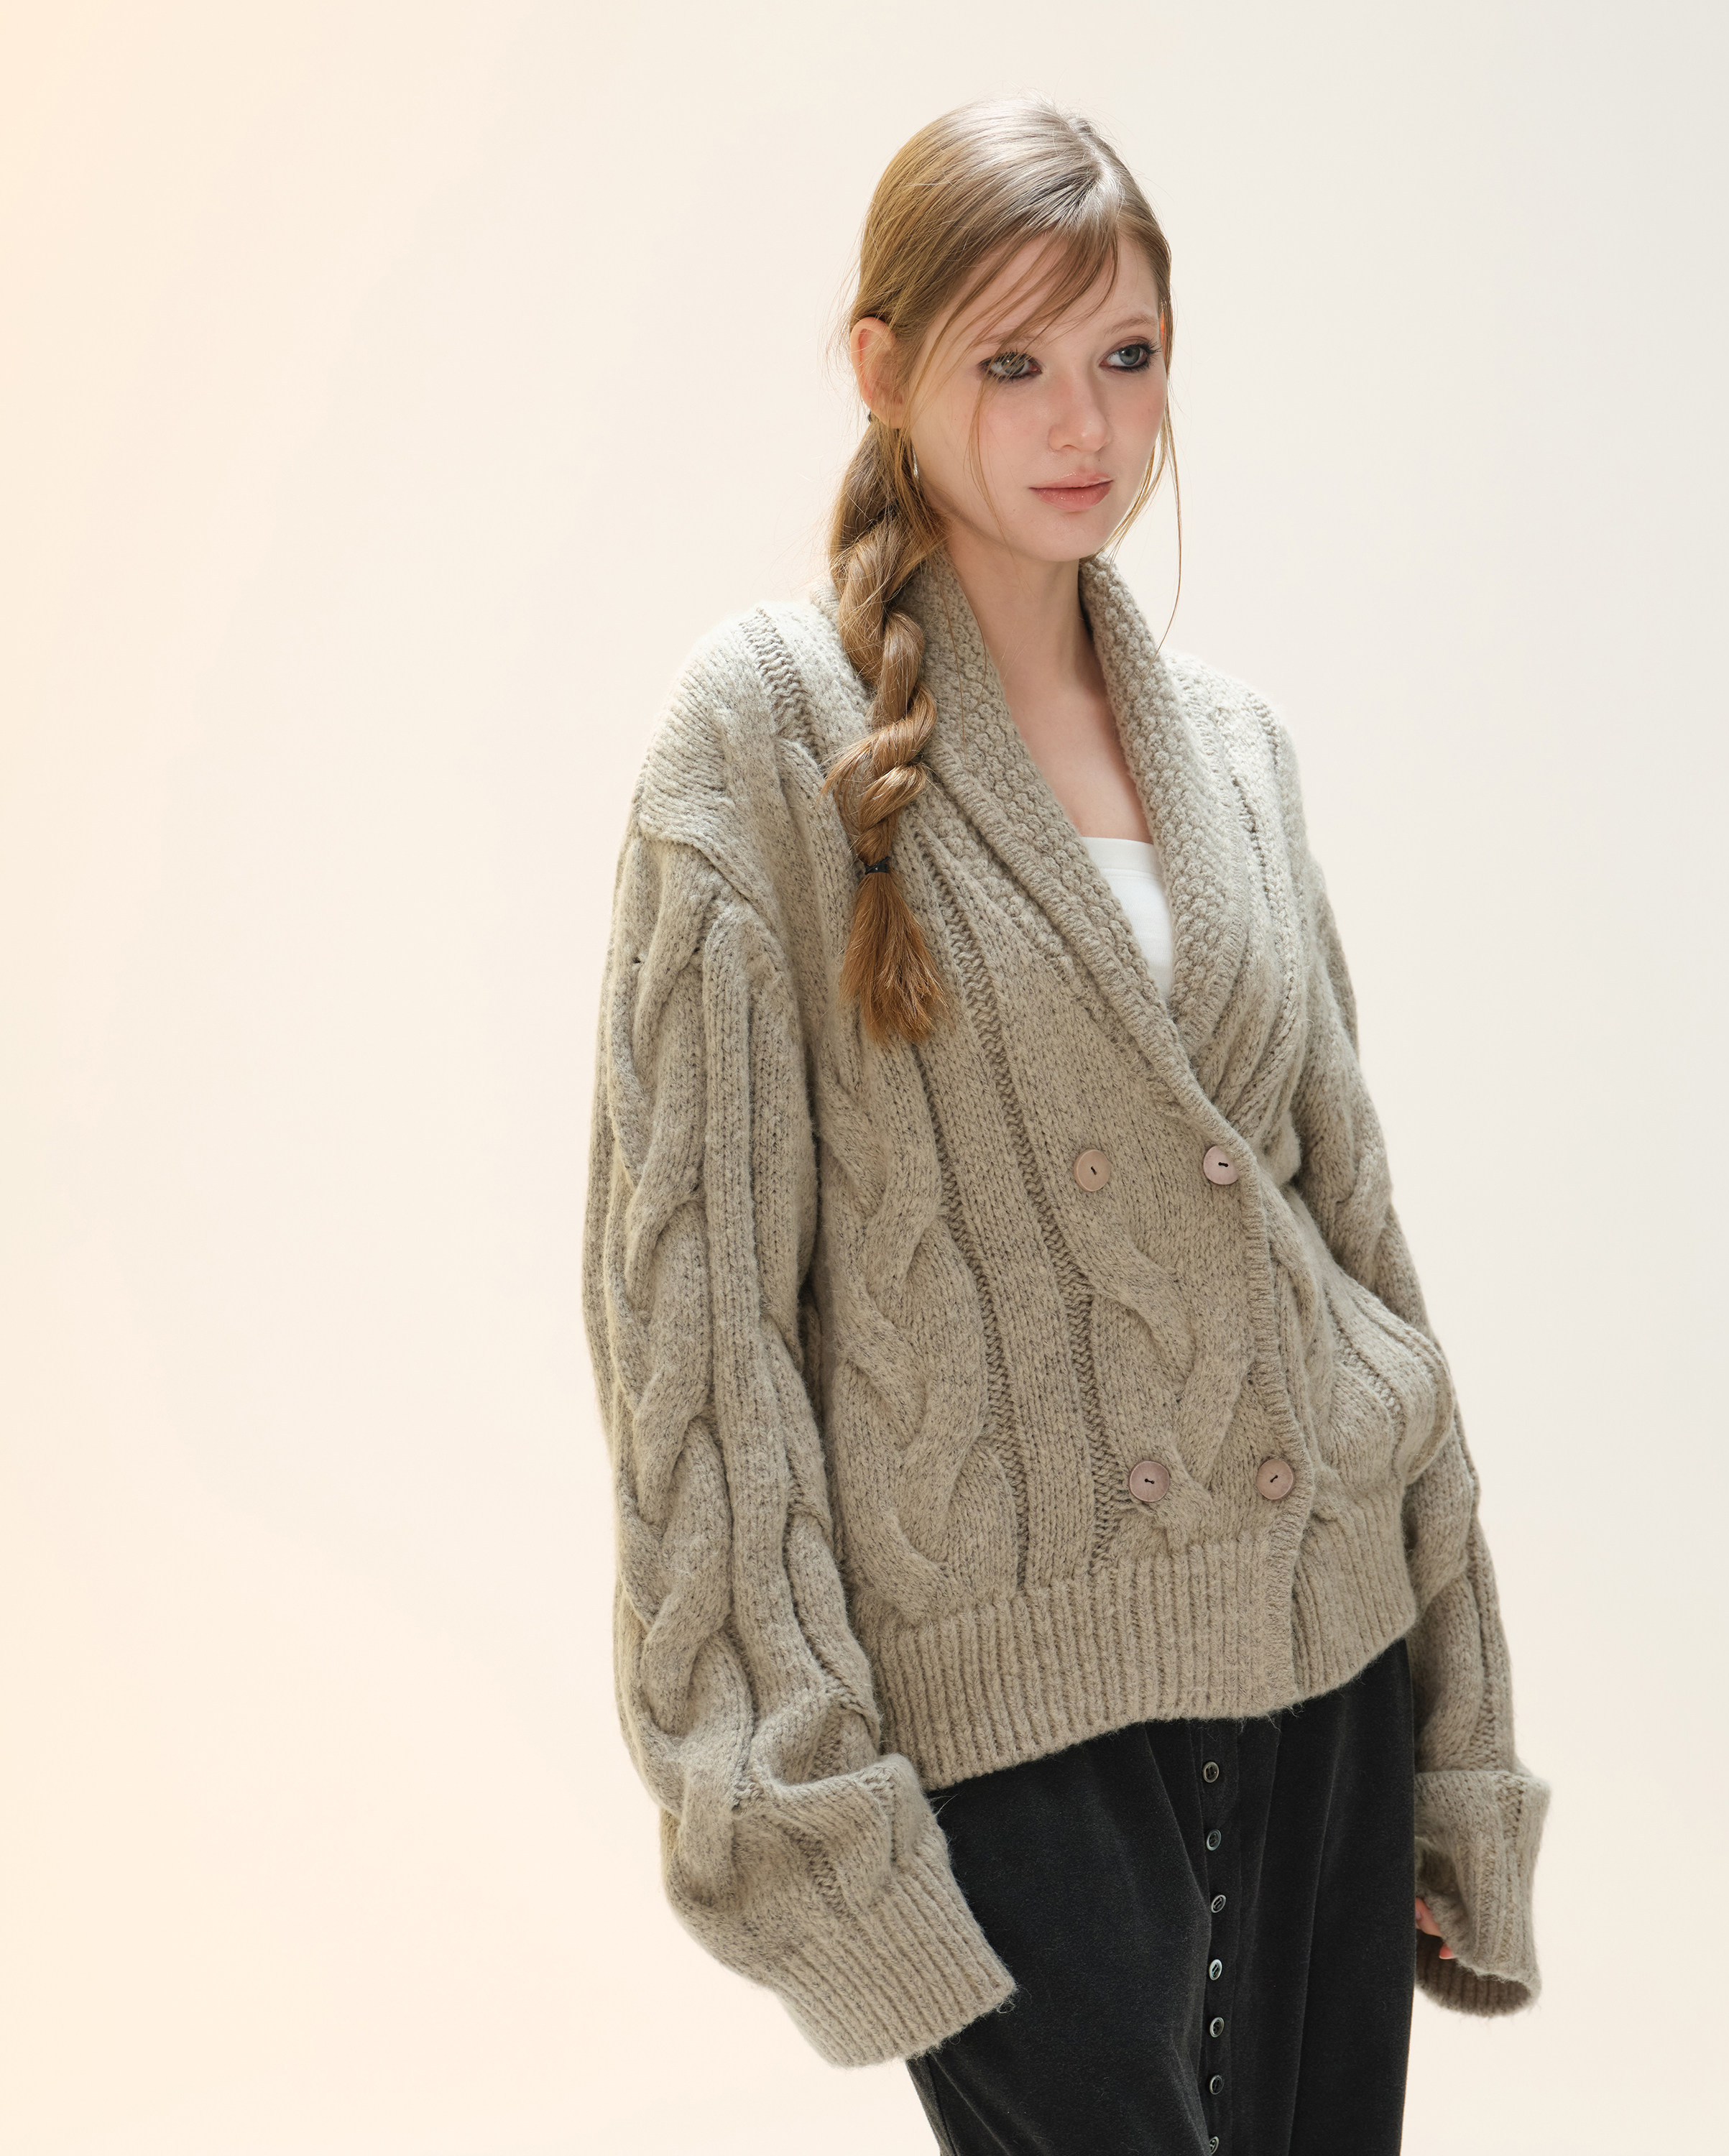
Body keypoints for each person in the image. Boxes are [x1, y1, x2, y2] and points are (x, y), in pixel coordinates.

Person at [581, 93, 1549, 2156]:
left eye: (1126, 354)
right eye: (1010, 361)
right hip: (1007, 1729)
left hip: (1327, 1660)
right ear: (882, 368)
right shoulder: (764, 731)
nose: (1084, 423)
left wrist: (1458, 1740)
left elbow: (1360, 1260)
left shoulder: (1240, 754)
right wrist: (798, 1818)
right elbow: (699, 1330)